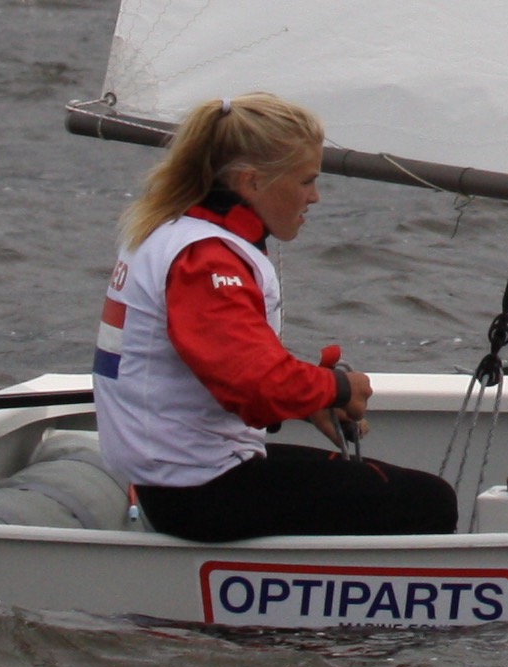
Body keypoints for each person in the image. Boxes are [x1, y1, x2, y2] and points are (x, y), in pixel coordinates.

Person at [94, 94, 460, 542]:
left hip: (185, 479)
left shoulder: (175, 232)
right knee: (428, 501)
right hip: (197, 494)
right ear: (251, 182)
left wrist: (312, 402)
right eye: (306, 181)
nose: (315, 196)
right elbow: (254, 387)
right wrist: (339, 387)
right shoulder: (207, 261)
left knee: (382, 485)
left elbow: (231, 367)